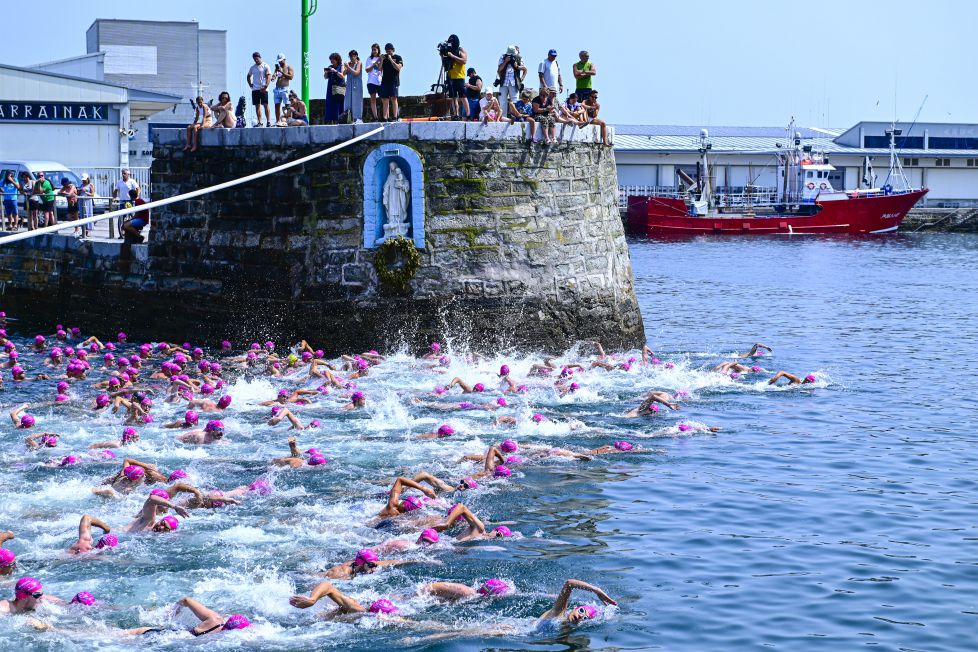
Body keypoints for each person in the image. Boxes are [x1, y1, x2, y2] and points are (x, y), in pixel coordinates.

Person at [129, 597, 250, 636]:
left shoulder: (215, 620)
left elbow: (187, 600)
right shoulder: (221, 639)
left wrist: (173, 609)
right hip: (165, 638)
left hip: (160, 634)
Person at [290, 581, 402, 621]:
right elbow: (327, 585)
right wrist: (312, 599)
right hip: (310, 617)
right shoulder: (357, 609)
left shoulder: (366, 613)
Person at [537, 579, 617, 624]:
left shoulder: (566, 628)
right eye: (581, 611)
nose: (580, 616)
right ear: (575, 608)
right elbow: (569, 583)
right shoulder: (559, 612)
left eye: (585, 618)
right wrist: (596, 590)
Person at [319, 547, 422, 579]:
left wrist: (419, 561)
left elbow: (393, 562)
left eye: (375, 565)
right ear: (361, 563)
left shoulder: (368, 563)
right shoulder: (341, 573)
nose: (374, 568)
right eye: (372, 565)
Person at [0, 578, 65, 615]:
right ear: (23, 597)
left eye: (42, 593)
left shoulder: (41, 599)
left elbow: (70, 605)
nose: (42, 597)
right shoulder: (4, 609)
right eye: (37, 595)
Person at [441, 35, 468, 119]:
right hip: (450, 76)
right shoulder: (448, 50)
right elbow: (444, 63)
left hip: (459, 76)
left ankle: (468, 115)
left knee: (462, 96)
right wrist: (442, 55)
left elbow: (464, 60)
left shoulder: (460, 49)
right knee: (453, 97)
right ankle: (456, 114)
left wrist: (452, 56)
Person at [496, 45, 526, 118]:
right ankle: (503, 118)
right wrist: (505, 61)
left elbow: (524, 68)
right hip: (504, 82)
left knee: (515, 101)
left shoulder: (519, 58)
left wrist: (517, 66)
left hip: (514, 83)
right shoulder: (503, 57)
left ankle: (515, 117)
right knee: (502, 101)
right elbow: (499, 70)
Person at [247, 51, 273, 127]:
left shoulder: (265, 66)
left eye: (257, 58)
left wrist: (266, 86)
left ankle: (268, 121)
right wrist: (250, 84)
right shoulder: (252, 67)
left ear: (260, 57)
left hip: (263, 88)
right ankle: (259, 122)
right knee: (257, 106)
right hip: (255, 89)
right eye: (254, 59)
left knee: (265, 104)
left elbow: (269, 76)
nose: (256, 60)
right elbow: (248, 76)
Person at [112, 169, 139, 238]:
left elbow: (138, 188)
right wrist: (114, 197)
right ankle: (121, 233)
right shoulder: (119, 182)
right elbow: (116, 190)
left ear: (128, 174)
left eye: (124, 173)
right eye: (122, 173)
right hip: (122, 201)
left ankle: (135, 232)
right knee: (121, 217)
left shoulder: (132, 181)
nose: (123, 175)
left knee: (133, 216)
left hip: (130, 201)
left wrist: (137, 196)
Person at [380, 43, 403, 121]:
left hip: (394, 81)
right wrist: (381, 60)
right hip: (385, 81)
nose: (388, 52)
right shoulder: (384, 58)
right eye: (387, 50)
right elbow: (379, 69)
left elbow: (398, 68)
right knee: (385, 99)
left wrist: (391, 60)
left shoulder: (398, 57)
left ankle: (395, 116)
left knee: (394, 98)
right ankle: (385, 117)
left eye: (389, 50)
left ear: (393, 50)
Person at [323, 52, 347, 124]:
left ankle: (339, 120)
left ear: (337, 59)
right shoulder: (330, 66)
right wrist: (326, 72)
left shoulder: (341, 66)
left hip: (339, 88)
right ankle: (330, 120)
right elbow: (325, 77)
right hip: (331, 87)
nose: (332, 61)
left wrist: (335, 71)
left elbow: (342, 75)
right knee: (330, 104)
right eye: (331, 60)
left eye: (333, 59)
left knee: (338, 104)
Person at [272, 53, 295, 124]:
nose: (279, 62)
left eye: (281, 60)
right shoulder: (277, 68)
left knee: (287, 105)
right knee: (277, 105)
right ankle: (278, 121)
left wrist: (282, 72)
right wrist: (273, 77)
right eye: (279, 61)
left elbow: (291, 77)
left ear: (284, 59)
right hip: (277, 89)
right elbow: (275, 75)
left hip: (285, 89)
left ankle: (289, 120)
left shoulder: (289, 67)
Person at [364, 43, 383, 121]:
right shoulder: (369, 59)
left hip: (380, 81)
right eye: (372, 49)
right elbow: (367, 70)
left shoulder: (381, 58)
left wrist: (380, 60)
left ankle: (384, 116)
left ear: (378, 50)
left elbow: (380, 69)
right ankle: (375, 117)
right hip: (371, 81)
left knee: (384, 99)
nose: (374, 51)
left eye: (375, 49)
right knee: (373, 99)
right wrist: (374, 64)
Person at [344, 50, 364, 123]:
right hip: (349, 85)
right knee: (348, 102)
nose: (352, 57)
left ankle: (358, 119)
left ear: (356, 56)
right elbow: (343, 73)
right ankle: (348, 118)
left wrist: (348, 67)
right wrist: (346, 67)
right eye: (350, 56)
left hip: (357, 85)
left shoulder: (359, 63)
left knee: (357, 101)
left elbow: (356, 73)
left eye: (353, 56)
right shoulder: (349, 64)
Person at [77, 172, 94, 237]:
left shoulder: (90, 185)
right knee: (82, 215)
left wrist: (86, 192)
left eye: (85, 180)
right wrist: (79, 190)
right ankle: (84, 230)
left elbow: (92, 194)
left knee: (88, 214)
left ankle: (88, 230)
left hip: (87, 201)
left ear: (87, 179)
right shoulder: (81, 185)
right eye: (83, 180)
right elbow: (78, 193)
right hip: (81, 201)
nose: (83, 181)